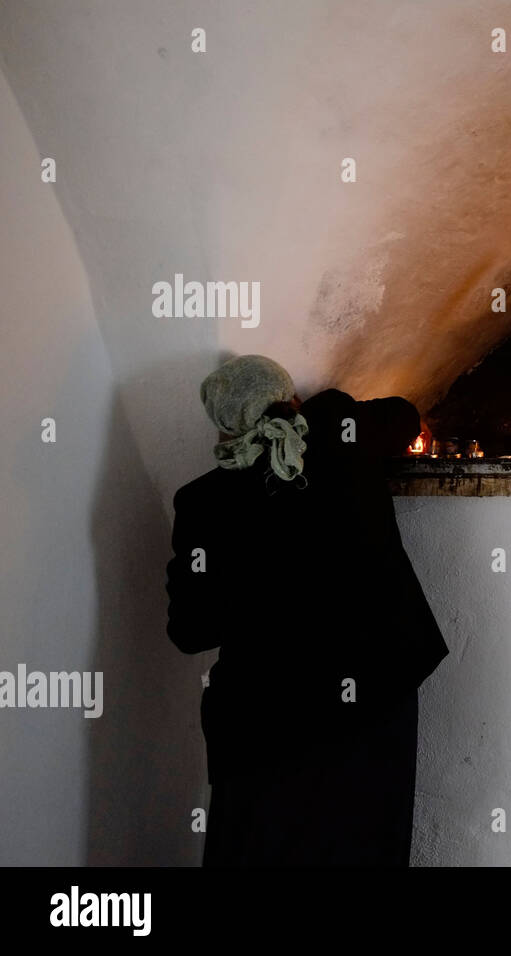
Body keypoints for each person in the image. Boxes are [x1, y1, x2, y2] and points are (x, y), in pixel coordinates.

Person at [165, 354, 449, 866]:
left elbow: (191, 630)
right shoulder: (340, 431)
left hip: (266, 723)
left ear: (227, 425)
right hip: (372, 701)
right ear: (290, 397)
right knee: (365, 847)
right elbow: (405, 415)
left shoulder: (204, 502)